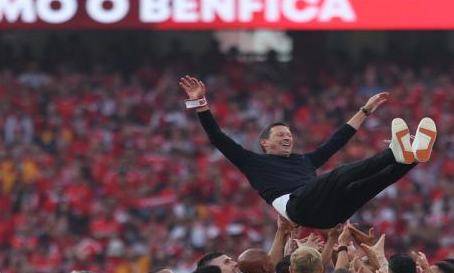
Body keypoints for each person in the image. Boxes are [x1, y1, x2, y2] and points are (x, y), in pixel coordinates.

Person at [180, 75, 436, 229]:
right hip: (297, 207)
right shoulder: (251, 161)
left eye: (289, 134)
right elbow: (217, 137)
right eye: (280, 134)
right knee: (340, 175)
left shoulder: (305, 160)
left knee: (370, 185)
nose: (287, 137)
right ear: (265, 144)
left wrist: (366, 110)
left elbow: (338, 139)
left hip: (329, 215)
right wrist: (199, 103)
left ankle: (410, 157)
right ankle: (393, 151)